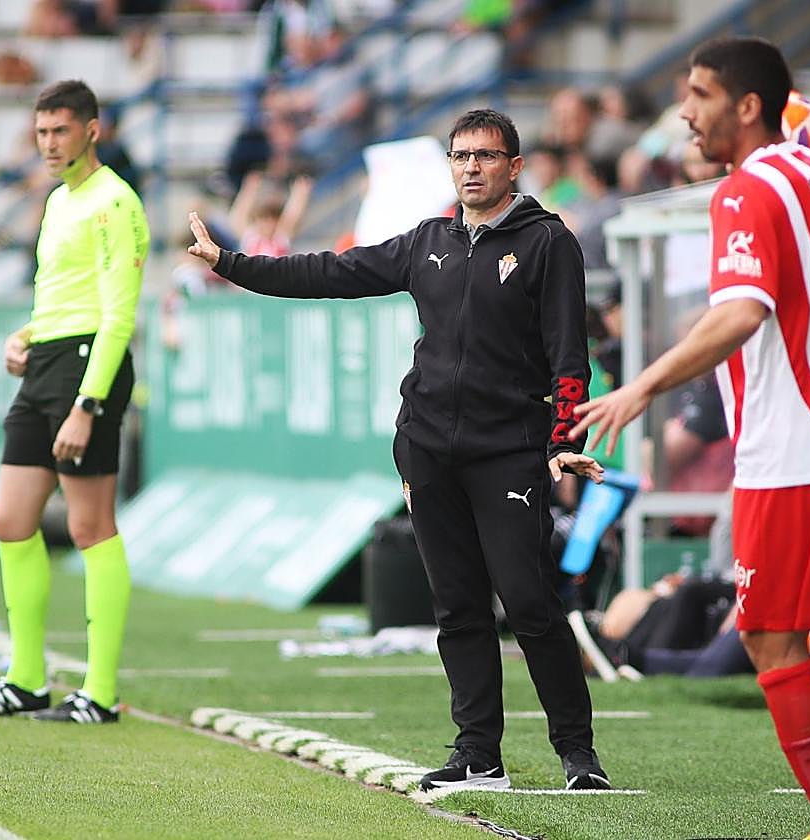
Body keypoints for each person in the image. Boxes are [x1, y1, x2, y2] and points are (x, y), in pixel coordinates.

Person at [571, 36, 810, 840]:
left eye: (701, 94)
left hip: (797, 450)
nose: (684, 111)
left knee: (770, 638)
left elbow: (744, 311)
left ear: (747, 106)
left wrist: (643, 385)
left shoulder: (746, 192)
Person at [187, 109, 611, 793]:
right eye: (460, 155)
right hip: (428, 448)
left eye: (485, 155)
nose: (471, 166)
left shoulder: (547, 244)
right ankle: (480, 757)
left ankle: (578, 754)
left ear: (514, 165)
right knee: (457, 606)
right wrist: (231, 264)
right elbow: (329, 271)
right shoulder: (427, 241)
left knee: (528, 600)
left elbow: (570, 352)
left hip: (509, 450)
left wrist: (563, 441)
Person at [0, 80, 148, 724]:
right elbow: (63, 295)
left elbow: (118, 313)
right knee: (10, 521)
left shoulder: (115, 202)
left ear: (93, 130)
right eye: (40, 133)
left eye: (60, 131)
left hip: (88, 367)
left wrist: (88, 405)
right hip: (45, 364)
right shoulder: (59, 201)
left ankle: (99, 691)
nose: (48, 144)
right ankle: (27, 680)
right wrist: (26, 335)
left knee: (92, 526)